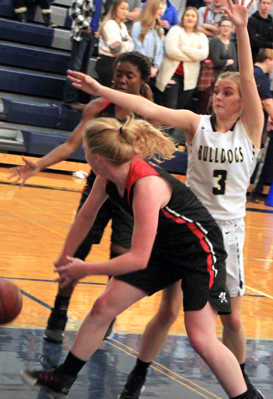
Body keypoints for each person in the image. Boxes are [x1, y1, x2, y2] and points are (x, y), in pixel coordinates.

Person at [62, 0, 265, 398]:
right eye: (217, 91)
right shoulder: (196, 124)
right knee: (169, 310)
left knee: (234, 321)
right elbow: (147, 106)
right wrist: (102, 90)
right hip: (184, 228)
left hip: (227, 235)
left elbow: (251, 82)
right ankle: (138, 375)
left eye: (227, 93)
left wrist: (241, 30)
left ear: (242, 102)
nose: (218, 97)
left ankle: (241, 382)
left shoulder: (251, 130)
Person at [21, 113, 253, 399]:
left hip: (201, 252)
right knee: (103, 306)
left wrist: (85, 268)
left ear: (97, 157)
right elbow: (86, 217)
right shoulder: (105, 176)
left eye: (85, 152)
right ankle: (63, 378)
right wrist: (65, 257)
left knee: (200, 337)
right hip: (165, 249)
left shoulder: (145, 185)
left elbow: (138, 259)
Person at [8, 52, 153, 344]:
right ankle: (58, 313)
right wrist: (39, 164)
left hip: (132, 194)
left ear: (142, 80)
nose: (122, 80)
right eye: (118, 74)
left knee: (121, 256)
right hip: (98, 189)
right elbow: (72, 144)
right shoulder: (98, 107)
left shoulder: (148, 112)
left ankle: (107, 314)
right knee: (76, 253)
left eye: (129, 76)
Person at [156, 7, 208, 110]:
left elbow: (203, 54)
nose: (190, 18)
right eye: (187, 15)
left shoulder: (201, 36)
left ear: (197, 19)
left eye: (193, 16)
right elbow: (171, 52)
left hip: (189, 79)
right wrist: (193, 56)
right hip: (172, 75)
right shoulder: (175, 30)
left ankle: (173, 127)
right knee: (170, 108)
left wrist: (184, 48)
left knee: (179, 109)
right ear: (183, 17)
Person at [61, 0, 98, 111]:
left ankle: (76, 99)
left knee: (82, 69)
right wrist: (85, 26)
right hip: (81, 34)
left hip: (92, 35)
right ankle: (69, 100)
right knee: (75, 68)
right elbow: (73, 11)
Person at [196, 16, 237, 114]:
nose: (225, 28)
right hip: (211, 80)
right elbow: (215, 61)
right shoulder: (215, 41)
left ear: (231, 29)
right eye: (223, 26)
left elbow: (234, 65)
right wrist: (227, 62)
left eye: (228, 26)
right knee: (205, 108)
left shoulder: (231, 45)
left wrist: (222, 63)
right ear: (219, 28)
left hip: (223, 79)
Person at [249, 48, 273, 203]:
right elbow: (268, 102)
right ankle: (255, 192)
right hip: (251, 124)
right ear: (269, 60)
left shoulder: (251, 72)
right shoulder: (261, 76)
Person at [95, 0, 134, 88]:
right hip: (107, 64)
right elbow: (116, 48)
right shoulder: (110, 24)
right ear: (115, 9)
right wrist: (126, 45)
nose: (125, 12)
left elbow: (132, 45)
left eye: (127, 9)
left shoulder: (122, 26)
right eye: (122, 9)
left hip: (118, 63)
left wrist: (124, 45)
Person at [131, 0, 164, 102]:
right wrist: (147, 67)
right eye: (159, 8)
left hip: (153, 71)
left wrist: (156, 68)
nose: (161, 11)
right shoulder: (138, 26)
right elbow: (138, 47)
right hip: (139, 67)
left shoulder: (160, 30)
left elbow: (160, 52)